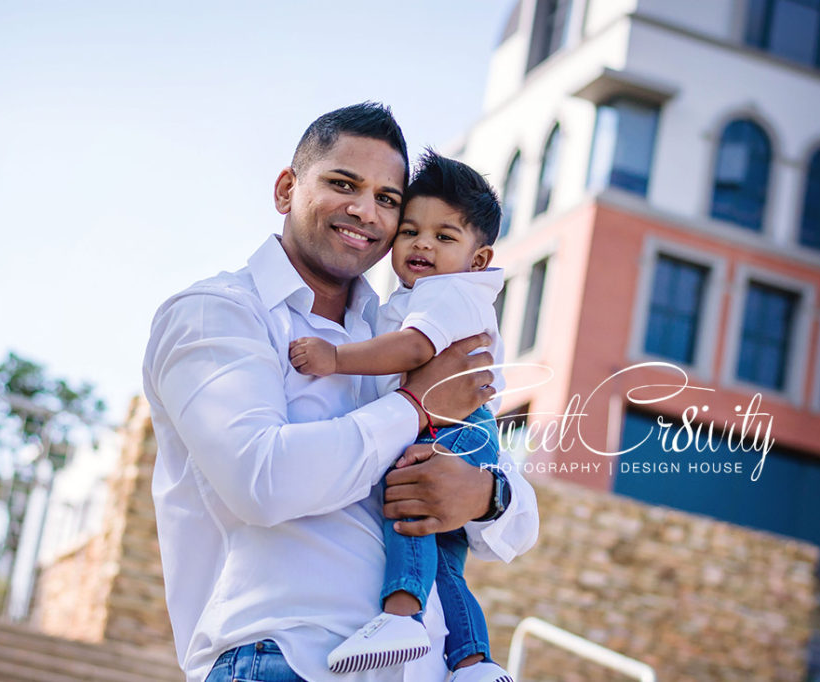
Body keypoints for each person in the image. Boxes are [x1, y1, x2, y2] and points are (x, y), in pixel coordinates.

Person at [142, 102, 539, 682]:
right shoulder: (218, 314)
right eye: (342, 184)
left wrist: (482, 495)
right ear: (286, 189)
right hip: (283, 656)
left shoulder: (401, 333)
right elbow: (263, 482)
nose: (364, 210)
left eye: (386, 199)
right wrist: (414, 406)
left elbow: (519, 521)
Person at [289, 150, 513, 682]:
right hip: (469, 431)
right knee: (447, 563)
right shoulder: (428, 292)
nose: (422, 245)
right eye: (410, 231)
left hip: (453, 429)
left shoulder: (449, 294)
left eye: (444, 236)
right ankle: (474, 662)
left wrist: (335, 357)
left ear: (478, 260)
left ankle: (402, 616)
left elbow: (415, 350)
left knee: (407, 501)